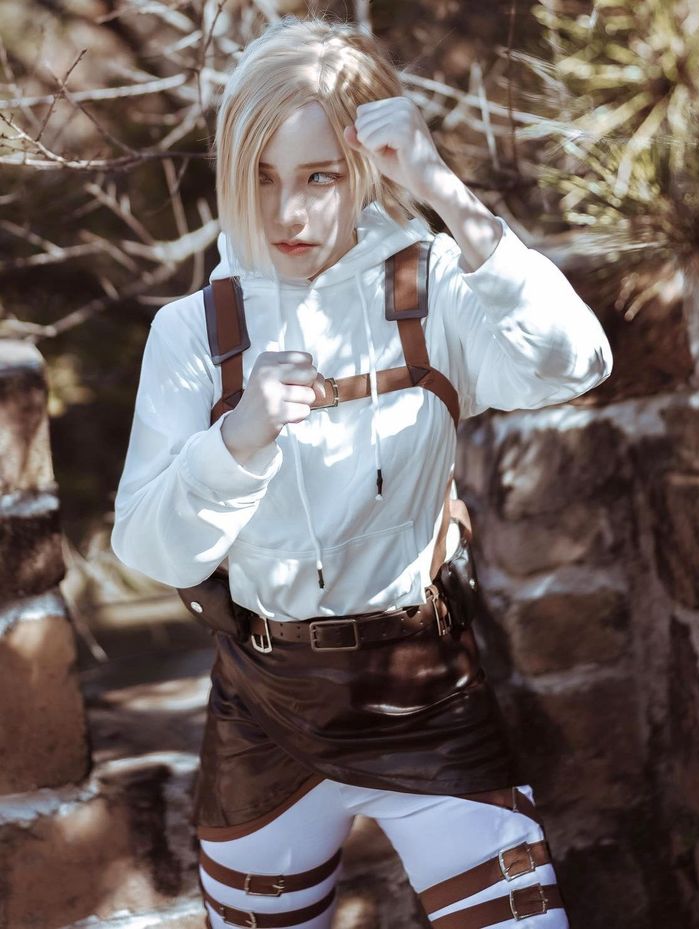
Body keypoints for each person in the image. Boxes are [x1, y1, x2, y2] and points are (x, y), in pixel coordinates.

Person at [111, 15, 612, 929]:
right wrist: (240, 437)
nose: (285, 214)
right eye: (260, 177)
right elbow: (151, 546)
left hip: (427, 695)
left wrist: (446, 193)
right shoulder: (192, 331)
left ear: (365, 168)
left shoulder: (431, 292)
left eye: (317, 176)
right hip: (265, 712)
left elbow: (573, 361)